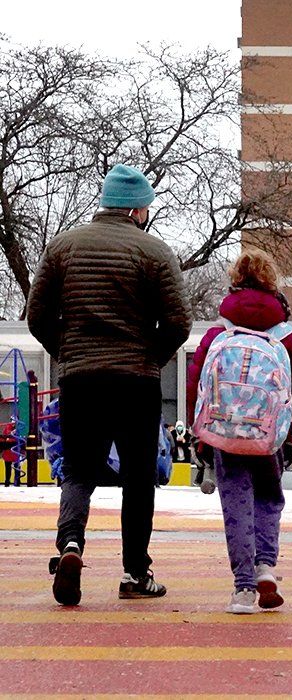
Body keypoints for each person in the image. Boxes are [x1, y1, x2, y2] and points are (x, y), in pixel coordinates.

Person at [27, 164, 191, 606]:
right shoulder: (155, 252)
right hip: (136, 382)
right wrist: (150, 358)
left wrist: (69, 352)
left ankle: (70, 545)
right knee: (138, 477)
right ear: (139, 208)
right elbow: (179, 322)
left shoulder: (63, 247)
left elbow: (37, 315)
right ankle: (136, 573)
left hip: (81, 381)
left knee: (79, 471)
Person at [187, 251, 292, 614]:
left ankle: (243, 588)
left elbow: (196, 383)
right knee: (268, 499)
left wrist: (201, 432)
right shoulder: (286, 338)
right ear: (272, 284)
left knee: (236, 504)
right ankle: (266, 568)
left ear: (235, 281)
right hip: (268, 435)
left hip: (225, 433)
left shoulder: (218, 333)